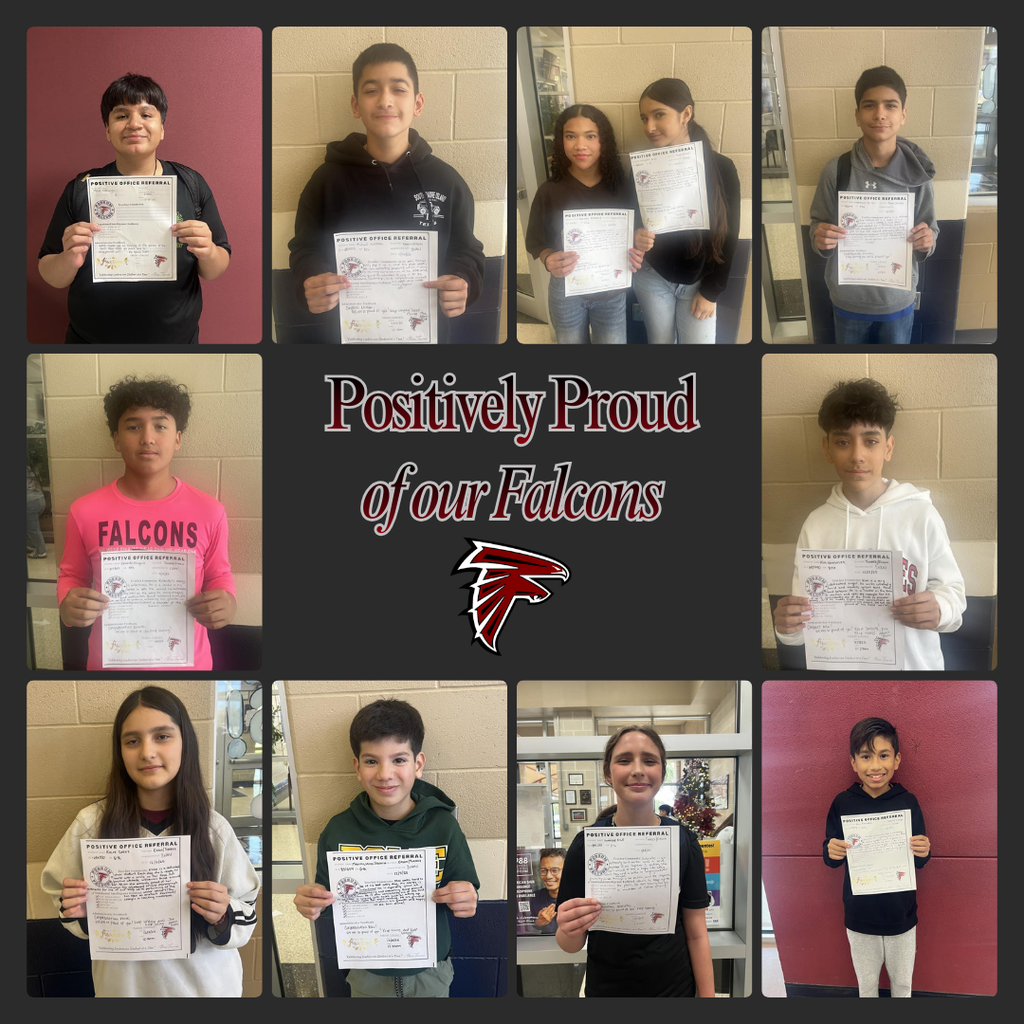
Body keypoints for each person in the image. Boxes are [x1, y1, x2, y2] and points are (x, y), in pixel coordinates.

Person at [40, 687, 260, 997]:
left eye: (162, 736)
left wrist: (223, 913)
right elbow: (59, 894)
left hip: (206, 990)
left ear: (185, 743)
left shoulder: (214, 829)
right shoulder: (91, 824)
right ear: (120, 751)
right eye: (132, 741)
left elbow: (247, 909)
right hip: (124, 991)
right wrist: (79, 911)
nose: (147, 752)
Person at [288, 43, 485, 343]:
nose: (385, 101)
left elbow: (467, 250)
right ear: (355, 105)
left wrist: (464, 281)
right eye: (371, 91)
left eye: (398, 89)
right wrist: (311, 278)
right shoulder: (325, 181)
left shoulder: (447, 182)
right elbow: (304, 249)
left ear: (418, 103)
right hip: (349, 338)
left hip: (425, 338)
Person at [774, 378, 965, 669]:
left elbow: (954, 593)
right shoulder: (815, 525)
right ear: (827, 449)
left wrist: (942, 608)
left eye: (871, 441)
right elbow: (802, 630)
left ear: (888, 447)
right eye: (843, 442)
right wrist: (787, 627)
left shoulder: (921, 515)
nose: (857, 456)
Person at [293, 699, 479, 997]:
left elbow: (466, 891)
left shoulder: (444, 827)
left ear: (418, 764)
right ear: (357, 767)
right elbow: (328, 903)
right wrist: (314, 903)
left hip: (430, 974)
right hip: (366, 975)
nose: (384, 773)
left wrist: (466, 898)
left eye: (399, 760)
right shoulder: (338, 830)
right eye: (371, 761)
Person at [57, 375, 236, 670]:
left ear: (178, 439)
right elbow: (72, 576)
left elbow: (219, 576)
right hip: (108, 664)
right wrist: (67, 605)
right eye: (133, 427)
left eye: (160, 426)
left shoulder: (210, 511)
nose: (147, 438)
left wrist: (228, 603)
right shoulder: (84, 511)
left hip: (191, 666)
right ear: (116, 439)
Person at [38, 74, 231, 344]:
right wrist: (68, 260)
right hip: (91, 344)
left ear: (161, 128)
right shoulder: (81, 189)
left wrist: (208, 251)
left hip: (176, 343)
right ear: (107, 130)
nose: (134, 124)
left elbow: (215, 267)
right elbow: (51, 273)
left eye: (146, 114)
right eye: (121, 116)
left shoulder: (191, 184)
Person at [554, 726, 714, 997]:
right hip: (606, 992)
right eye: (624, 760)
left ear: (662, 772)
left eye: (649, 761)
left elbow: (696, 933)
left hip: (674, 991)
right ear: (608, 773)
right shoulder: (586, 845)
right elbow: (570, 945)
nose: (638, 770)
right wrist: (568, 930)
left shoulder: (683, 841)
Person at [808, 66, 938, 344]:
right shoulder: (836, 170)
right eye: (870, 105)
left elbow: (931, 229)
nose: (880, 114)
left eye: (890, 105)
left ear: (903, 115)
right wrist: (820, 238)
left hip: (898, 299)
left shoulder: (918, 176)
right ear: (857, 115)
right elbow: (817, 224)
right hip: (848, 300)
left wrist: (927, 242)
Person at [824, 717, 930, 997]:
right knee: (867, 986)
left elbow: (919, 860)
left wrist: (924, 850)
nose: (875, 766)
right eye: (865, 756)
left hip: (901, 915)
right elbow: (832, 858)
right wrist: (831, 850)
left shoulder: (907, 802)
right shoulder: (842, 803)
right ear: (853, 762)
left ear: (897, 760)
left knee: (903, 985)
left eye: (883, 755)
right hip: (860, 915)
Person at [630, 79, 741, 344]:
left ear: (686, 114)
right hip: (653, 276)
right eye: (644, 118)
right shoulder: (642, 168)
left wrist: (712, 291)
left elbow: (730, 234)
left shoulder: (721, 168)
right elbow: (632, 218)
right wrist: (636, 235)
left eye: (659, 115)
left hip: (699, 282)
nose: (649, 127)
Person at [525, 104, 645, 344]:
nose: (580, 145)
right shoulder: (550, 191)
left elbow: (635, 235)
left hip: (612, 292)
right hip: (566, 291)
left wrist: (637, 250)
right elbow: (536, 241)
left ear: (603, 141)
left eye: (590, 136)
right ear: (561, 141)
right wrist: (548, 258)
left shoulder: (622, 188)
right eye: (571, 136)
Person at [529, 848, 565, 934]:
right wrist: (538, 923)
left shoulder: (577, 898)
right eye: (543, 870)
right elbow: (522, 929)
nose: (548, 876)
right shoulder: (533, 898)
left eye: (555, 870)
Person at [27, 459, 48, 558]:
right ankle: (31, 545)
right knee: (30, 526)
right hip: (39, 499)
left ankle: (41, 551)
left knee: (33, 529)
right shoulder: (32, 468)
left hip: (29, 502)